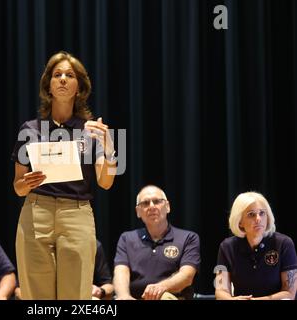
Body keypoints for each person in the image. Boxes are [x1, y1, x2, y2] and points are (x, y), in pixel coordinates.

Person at [11, 51, 117, 299]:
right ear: (48, 85)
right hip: (36, 211)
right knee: (36, 295)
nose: (62, 79)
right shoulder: (30, 129)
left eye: (69, 75)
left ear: (79, 87)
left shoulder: (91, 130)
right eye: (56, 74)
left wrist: (110, 148)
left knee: (75, 295)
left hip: (77, 214)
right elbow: (17, 186)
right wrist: (26, 184)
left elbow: (106, 182)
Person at [113, 185, 201, 300]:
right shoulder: (127, 238)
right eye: (145, 203)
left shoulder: (188, 238)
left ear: (167, 206)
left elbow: (187, 276)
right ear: (138, 212)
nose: (151, 206)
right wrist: (124, 296)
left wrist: (161, 287)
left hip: (171, 296)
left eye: (157, 201)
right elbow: (121, 272)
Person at [215, 191, 297, 300]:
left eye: (262, 213)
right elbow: (221, 291)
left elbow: (289, 293)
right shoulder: (226, 247)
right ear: (240, 222)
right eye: (251, 214)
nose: (258, 219)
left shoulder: (284, 243)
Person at [14, 239, 114, 300]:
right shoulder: (37, 249)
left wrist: (100, 291)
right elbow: (19, 290)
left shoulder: (93, 246)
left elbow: (109, 286)